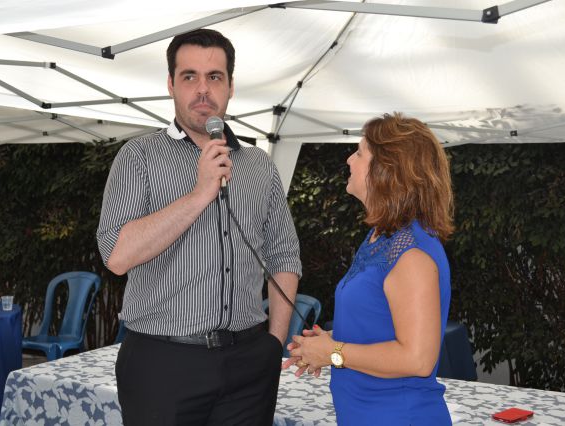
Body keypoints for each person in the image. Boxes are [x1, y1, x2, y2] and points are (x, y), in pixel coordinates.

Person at [97, 28, 301, 425]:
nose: (203, 89)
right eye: (189, 76)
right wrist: (199, 194)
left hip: (249, 362)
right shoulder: (138, 157)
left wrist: (273, 343)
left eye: (215, 77)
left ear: (230, 87)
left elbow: (284, 255)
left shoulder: (259, 166)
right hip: (163, 363)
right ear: (171, 84)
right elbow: (116, 256)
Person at [283, 113, 454, 425]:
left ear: (387, 169)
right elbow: (380, 326)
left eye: (360, 153)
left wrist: (333, 352)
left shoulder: (412, 253)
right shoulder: (381, 238)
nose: (349, 159)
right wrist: (324, 343)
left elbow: (417, 358)